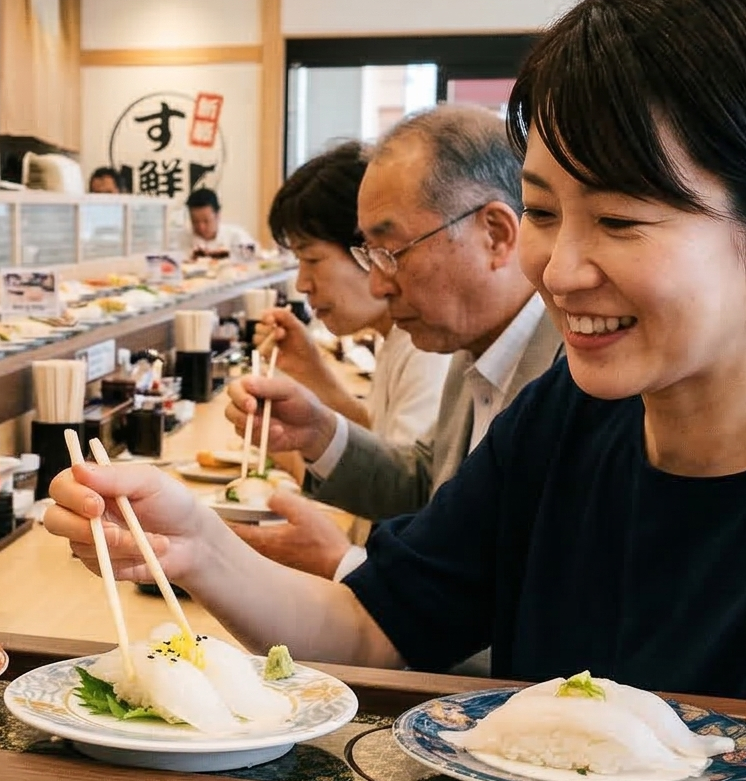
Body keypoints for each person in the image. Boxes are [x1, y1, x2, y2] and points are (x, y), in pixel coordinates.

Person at [46, 0, 746, 713]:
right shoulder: (566, 422)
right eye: (544, 211)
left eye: (619, 220)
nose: (560, 269)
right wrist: (199, 548)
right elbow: (375, 632)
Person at [228, 105, 559, 548]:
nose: (379, 284)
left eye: (392, 252)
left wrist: (342, 565)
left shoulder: (571, 376)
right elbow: (429, 483)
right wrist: (318, 434)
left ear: (496, 235)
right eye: (370, 255)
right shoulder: (474, 347)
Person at [234, 142, 452, 575]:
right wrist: (314, 375)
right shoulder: (396, 337)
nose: (302, 283)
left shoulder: (431, 349)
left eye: (312, 259)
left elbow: (409, 499)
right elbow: (389, 452)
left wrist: (289, 450)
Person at [185, 188, 257, 259]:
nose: (201, 227)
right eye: (195, 221)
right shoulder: (181, 239)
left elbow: (256, 258)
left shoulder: (237, 236)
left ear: (218, 215)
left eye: (206, 221)